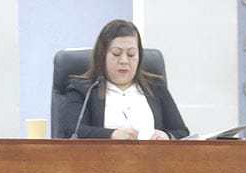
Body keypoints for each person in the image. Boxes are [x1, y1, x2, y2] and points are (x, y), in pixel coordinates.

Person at [57, 19, 188, 140]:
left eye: (131, 54)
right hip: (102, 157)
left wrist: (167, 136)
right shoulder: (84, 89)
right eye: (116, 53)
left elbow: (181, 132)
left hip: (152, 157)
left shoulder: (155, 87)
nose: (124, 61)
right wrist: (111, 135)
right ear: (102, 55)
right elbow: (71, 131)